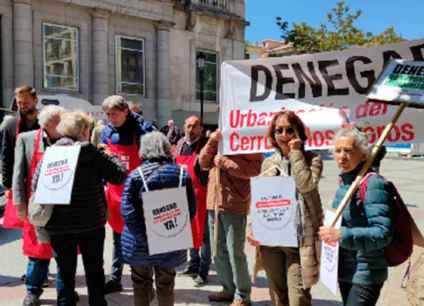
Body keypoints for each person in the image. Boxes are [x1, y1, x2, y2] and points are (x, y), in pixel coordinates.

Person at [32, 111, 128, 306]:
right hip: (91, 223)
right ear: (84, 130)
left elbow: (36, 185)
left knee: (65, 272)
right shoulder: (91, 152)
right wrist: (109, 154)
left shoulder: (51, 152)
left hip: (59, 225)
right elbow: (119, 175)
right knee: (94, 270)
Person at [246, 110, 323, 306]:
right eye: (278, 130)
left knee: (298, 298)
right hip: (272, 240)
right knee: (278, 296)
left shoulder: (313, 159)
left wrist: (296, 153)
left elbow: (306, 186)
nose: (283, 134)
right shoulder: (268, 162)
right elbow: (261, 200)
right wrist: (253, 227)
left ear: (298, 132)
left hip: (299, 241)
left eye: (289, 129)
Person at [121, 131, 196, 306]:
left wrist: (145, 238)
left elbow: (128, 212)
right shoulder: (181, 175)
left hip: (139, 244)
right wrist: (173, 231)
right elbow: (190, 210)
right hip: (170, 240)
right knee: (166, 283)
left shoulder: (135, 176)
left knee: (140, 282)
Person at [319, 127, 393, 306]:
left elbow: (383, 233)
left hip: (366, 271)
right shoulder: (344, 183)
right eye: (338, 151)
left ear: (363, 155)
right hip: (345, 269)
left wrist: (341, 234)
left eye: (348, 151)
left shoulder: (373, 183)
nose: (342, 156)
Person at [199, 129, 263, 306]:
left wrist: (226, 162)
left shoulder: (247, 139)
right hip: (213, 203)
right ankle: (228, 289)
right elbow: (203, 163)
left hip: (234, 204)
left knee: (235, 252)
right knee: (217, 251)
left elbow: (255, 169)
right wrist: (212, 141)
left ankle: (242, 294)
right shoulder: (218, 138)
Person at [12, 105, 66, 306]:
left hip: (65, 209)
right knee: (37, 253)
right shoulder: (26, 139)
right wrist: (19, 204)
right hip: (37, 208)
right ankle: (33, 292)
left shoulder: (71, 140)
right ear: (48, 123)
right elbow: (18, 175)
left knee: (64, 255)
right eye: (60, 121)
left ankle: (65, 291)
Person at [100, 95, 155, 293]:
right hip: (115, 193)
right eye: (107, 115)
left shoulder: (144, 131)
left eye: (114, 114)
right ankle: (115, 277)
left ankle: (143, 280)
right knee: (117, 236)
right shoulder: (106, 132)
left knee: (140, 239)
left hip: (138, 193)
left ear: (125, 111)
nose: (110, 118)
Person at [175, 116, 210, 286]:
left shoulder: (206, 144)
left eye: (194, 126)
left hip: (202, 194)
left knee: (204, 235)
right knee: (189, 232)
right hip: (184, 194)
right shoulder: (181, 144)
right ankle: (193, 265)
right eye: (188, 126)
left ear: (201, 128)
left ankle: (203, 271)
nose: (190, 129)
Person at [1, 85, 40, 229]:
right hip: (19, 181)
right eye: (19, 103)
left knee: (41, 219)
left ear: (35, 100)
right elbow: (6, 156)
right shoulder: (10, 124)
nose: (22, 106)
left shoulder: (44, 122)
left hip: (39, 179)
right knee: (24, 223)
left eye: (26, 102)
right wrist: (7, 185)